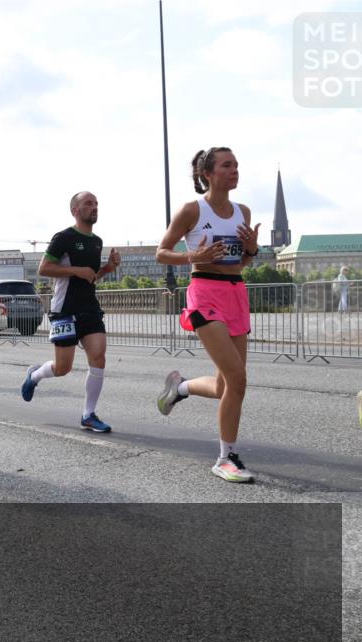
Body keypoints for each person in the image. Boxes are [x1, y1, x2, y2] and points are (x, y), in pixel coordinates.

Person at [155, 146, 260, 483]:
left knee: (223, 385)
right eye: (227, 165)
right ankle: (225, 458)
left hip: (235, 294)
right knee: (238, 379)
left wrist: (252, 250)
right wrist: (193, 256)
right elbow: (161, 252)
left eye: (236, 165)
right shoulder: (192, 210)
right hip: (204, 293)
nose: (235, 170)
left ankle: (180, 387)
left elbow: (240, 264)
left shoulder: (242, 211)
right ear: (207, 174)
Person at [20, 191, 121, 433]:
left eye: (96, 203)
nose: (94, 207)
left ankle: (88, 414)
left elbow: (91, 277)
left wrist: (108, 267)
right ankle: (35, 375)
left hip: (89, 308)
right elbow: (44, 268)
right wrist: (76, 270)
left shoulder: (97, 241)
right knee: (63, 367)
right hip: (64, 309)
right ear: (75, 210)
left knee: (99, 356)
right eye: (88, 203)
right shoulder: (63, 238)